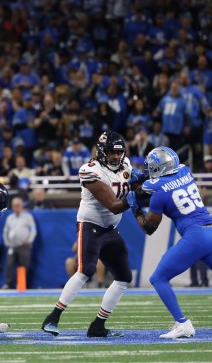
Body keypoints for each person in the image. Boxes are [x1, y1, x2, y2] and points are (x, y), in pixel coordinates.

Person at [42, 131, 134, 338]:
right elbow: (113, 205)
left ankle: (98, 325)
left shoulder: (126, 165)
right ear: (101, 151)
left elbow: (134, 185)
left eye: (119, 153)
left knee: (124, 277)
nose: (116, 157)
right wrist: (140, 195)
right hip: (91, 224)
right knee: (86, 270)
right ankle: (53, 316)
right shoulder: (90, 170)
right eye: (111, 152)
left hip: (110, 228)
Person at [130, 146, 212, 338]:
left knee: (158, 278)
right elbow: (161, 180)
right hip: (210, 231)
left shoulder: (158, 194)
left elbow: (149, 228)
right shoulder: (185, 170)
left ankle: (182, 324)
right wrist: (143, 178)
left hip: (195, 237)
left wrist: (135, 207)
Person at [2, 197, 36, 289]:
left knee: (24, 265)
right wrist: (7, 242)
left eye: (18, 205)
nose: (16, 207)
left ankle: (21, 284)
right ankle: (8, 284)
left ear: (21, 206)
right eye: (14, 206)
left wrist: (28, 241)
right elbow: (5, 231)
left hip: (24, 245)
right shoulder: (10, 217)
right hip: (12, 246)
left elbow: (33, 230)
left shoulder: (28, 217)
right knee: (9, 264)